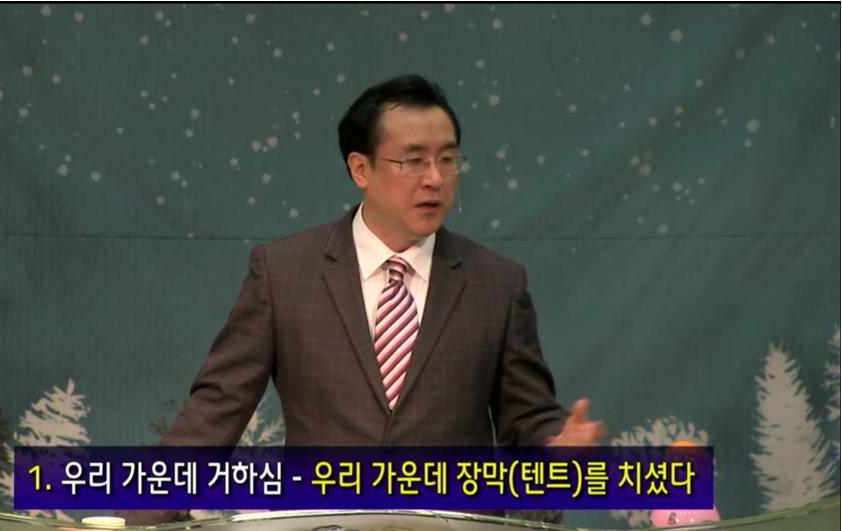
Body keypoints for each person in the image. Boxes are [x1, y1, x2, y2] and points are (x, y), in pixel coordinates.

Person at [121, 74, 605, 525]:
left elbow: (529, 419)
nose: (435, 178)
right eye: (413, 160)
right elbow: (213, 414)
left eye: (447, 159)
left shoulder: (496, 284)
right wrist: (133, 522)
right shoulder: (284, 273)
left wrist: (557, 455)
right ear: (360, 168)